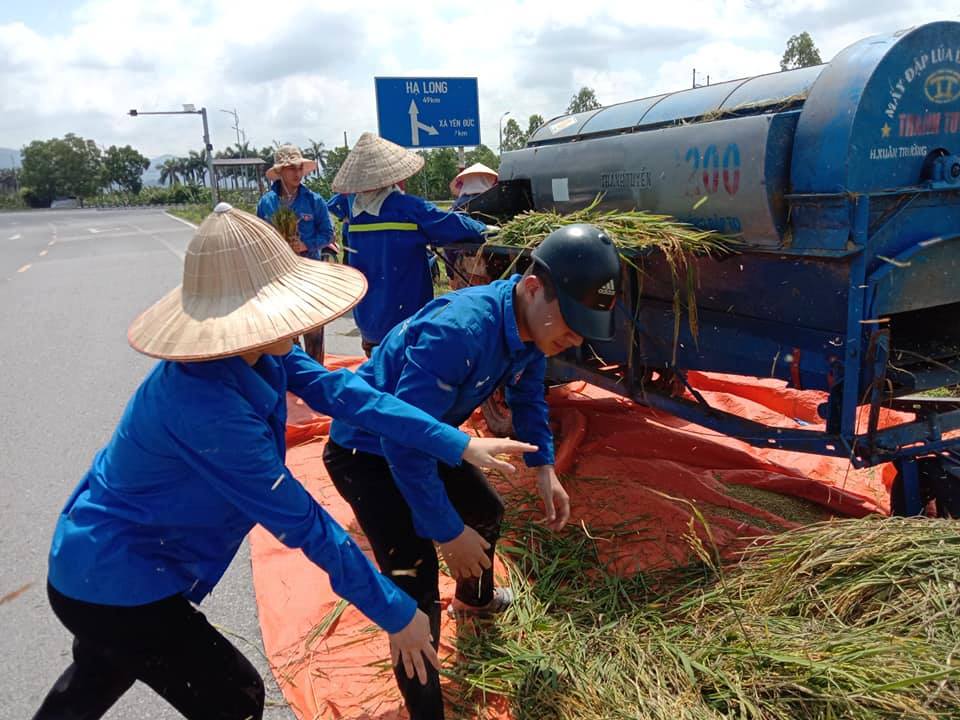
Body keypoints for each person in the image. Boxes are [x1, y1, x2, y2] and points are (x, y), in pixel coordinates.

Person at [31, 204, 538, 720]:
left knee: (93, 682)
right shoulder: (206, 410)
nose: (303, 319)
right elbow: (303, 521)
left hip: (110, 566)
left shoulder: (261, 351)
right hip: (115, 580)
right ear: (249, 315)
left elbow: (349, 393)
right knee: (235, 696)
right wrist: (394, 611)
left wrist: (454, 444)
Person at [323, 223, 623, 719]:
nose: (571, 340)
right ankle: (427, 712)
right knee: (412, 585)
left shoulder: (532, 330)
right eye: (569, 323)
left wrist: (544, 466)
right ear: (532, 287)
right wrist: (446, 533)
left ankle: (475, 599)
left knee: (485, 511)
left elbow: (527, 394)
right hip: (368, 453)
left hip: (434, 436)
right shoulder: (458, 332)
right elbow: (402, 444)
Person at [327, 132, 490, 357]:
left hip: (367, 323)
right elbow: (452, 225)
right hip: (404, 324)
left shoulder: (352, 217)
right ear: (395, 178)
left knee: (379, 380)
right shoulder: (406, 208)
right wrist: (486, 229)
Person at [258, 144, 336, 363]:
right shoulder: (266, 203)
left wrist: (306, 245)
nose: (297, 173)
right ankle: (293, 379)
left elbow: (329, 235)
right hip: (279, 276)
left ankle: (317, 377)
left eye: (299, 167)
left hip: (310, 273)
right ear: (280, 171)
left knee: (313, 329)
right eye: (291, 168)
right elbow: (259, 237)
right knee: (286, 331)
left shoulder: (314, 201)